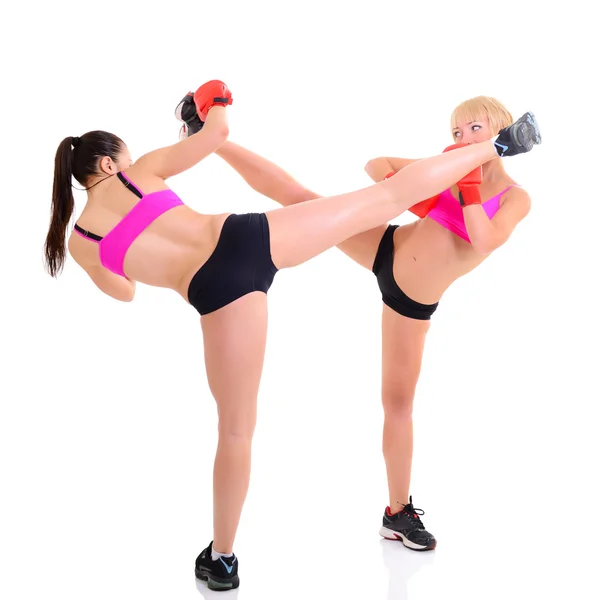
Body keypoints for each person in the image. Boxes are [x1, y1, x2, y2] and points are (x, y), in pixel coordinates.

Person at [43, 79, 540, 591]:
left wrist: (121, 250)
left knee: (236, 429)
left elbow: (124, 293)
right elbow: (217, 134)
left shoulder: (80, 243)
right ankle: (375, 515)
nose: (125, 165)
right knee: (377, 197)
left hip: (215, 293)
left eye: (473, 133)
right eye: (120, 161)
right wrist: (215, 100)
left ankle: (222, 558)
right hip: (248, 240)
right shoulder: (140, 172)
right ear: (108, 165)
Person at [178, 94, 541, 556]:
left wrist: (463, 188)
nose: (462, 139)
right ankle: (210, 139)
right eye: (455, 133)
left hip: (411, 301)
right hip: (383, 246)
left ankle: (397, 512)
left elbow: (485, 238)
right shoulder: (449, 172)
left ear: (501, 131)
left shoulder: (515, 197)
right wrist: (431, 193)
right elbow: (377, 166)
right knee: (301, 199)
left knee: (398, 403)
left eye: (474, 130)